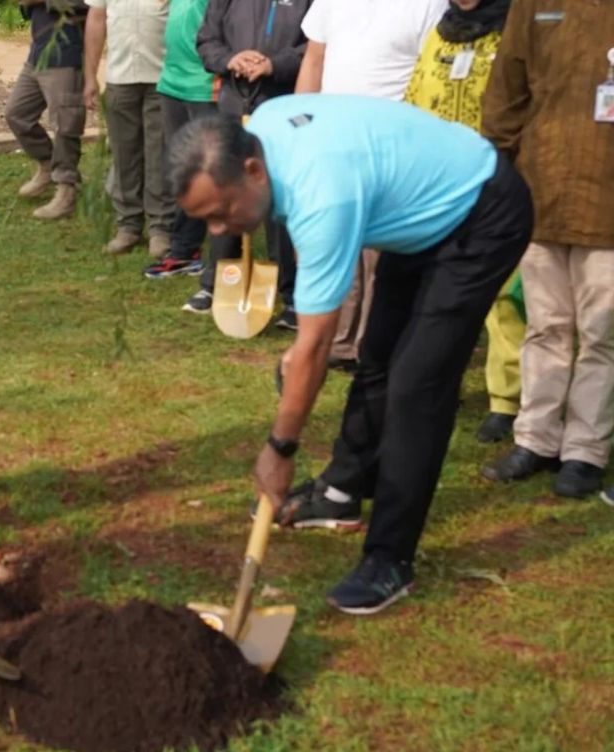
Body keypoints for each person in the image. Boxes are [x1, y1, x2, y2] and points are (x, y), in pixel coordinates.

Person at [169, 96, 531, 613]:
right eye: (205, 220)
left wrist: (280, 449)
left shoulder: (322, 197)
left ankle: (391, 558)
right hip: (417, 222)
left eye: (222, 211)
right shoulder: (264, 127)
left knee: (416, 388)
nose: (219, 231)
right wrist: (297, 358)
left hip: (481, 213)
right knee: (379, 356)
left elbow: (314, 347)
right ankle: (342, 491)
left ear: (253, 169)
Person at [480, 0, 614, 498]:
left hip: (608, 200)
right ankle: (535, 438)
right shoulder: (533, 4)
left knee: (601, 333)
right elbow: (506, 88)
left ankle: (585, 452)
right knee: (546, 325)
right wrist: (497, 166)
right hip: (542, 191)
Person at [295, 0, 446, 367]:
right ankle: (338, 341)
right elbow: (314, 58)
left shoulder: (429, 4)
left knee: (382, 254)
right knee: (338, 243)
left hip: (392, 144)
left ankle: (372, 342)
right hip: (332, 140)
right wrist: (299, 126)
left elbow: (431, 73)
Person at [404, 0, 521, 445]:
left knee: (502, 299)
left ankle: (506, 401)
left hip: (494, 180)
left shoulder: (511, 31)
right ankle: (438, 382)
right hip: (437, 185)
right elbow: (416, 97)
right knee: (434, 293)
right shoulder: (442, 32)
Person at [182, 0, 310, 321]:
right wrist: (231, 59)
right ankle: (216, 282)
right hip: (233, 105)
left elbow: (317, 47)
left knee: (280, 197)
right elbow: (207, 41)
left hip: (285, 106)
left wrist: (274, 65)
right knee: (227, 192)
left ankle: (292, 293)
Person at [83, 0, 173, 258]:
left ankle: (161, 228)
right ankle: (128, 226)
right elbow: (96, 19)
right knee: (125, 156)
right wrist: (90, 76)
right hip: (120, 78)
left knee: (159, 156)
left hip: (162, 78)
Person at [139, 0, 221, 281]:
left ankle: (218, 255)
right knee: (181, 170)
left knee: (208, 171)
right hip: (172, 81)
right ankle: (185, 250)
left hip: (205, 84)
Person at [5, 0, 88, 220]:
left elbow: (90, 4)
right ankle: (47, 165)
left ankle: (66, 189)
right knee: (17, 113)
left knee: (65, 124)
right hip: (38, 54)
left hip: (66, 52)